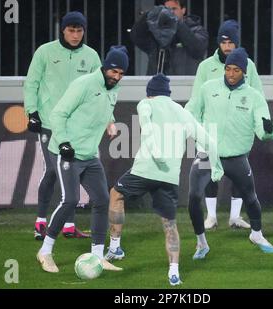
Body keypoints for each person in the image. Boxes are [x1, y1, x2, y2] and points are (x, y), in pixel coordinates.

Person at [105, 74, 224, 285]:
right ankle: (174, 272)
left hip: (145, 170)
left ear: (150, 93)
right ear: (168, 94)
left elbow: (147, 129)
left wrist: (156, 151)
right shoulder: (182, 112)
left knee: (116, 194)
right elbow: (210, 142)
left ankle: (115, 247)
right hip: (169, 177)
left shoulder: (146, 104)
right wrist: (215, 168)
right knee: (169, 224)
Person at [35, 46, 129, 273]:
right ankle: (45, 251)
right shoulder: (84, 84)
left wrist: (110, 121)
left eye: (121, 74)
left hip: (88, 154)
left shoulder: (113, 88)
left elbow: (106, 106)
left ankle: (97, 256)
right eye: (113, 71)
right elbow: (58, 113)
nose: (116, 77)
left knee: (102, 200)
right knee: (70, 200)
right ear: (105, 67)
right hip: (66, 152)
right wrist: (64, 142)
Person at [24, 11, 110, 240]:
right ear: (62, 30)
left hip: (77, 127)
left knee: (69, 172)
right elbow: (31, 82)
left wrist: (107, 119)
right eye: (71, 30)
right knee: (53, 170)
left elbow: (101, 90)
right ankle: (41, 221)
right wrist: (31, 112)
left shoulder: (91, 56)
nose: (75, 35)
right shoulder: (45, 52)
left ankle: (69, 226)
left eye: (79, 30)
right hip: (51, 122)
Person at [185, 47, 273, 259]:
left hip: (236, 157)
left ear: (244, 72)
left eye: (236, 70)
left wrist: (269, 131)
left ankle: (257, 234)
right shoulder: (208, 88)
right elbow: (191, 111)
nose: (231, 74)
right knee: (193, 196)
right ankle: (201, 243)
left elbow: (264, 130)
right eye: (228, 69)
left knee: (251, 198)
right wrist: (198, 133)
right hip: (207, 155)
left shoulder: (254, 97)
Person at [187, 19, 265, 231]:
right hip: (209, 134)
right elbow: (196, 100)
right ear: (218, 43)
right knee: (208, 174)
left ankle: (235, 217)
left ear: (237, 44)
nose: (227, 46)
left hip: (238, 133)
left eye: (232, 42)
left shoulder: (249, 66)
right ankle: (211, 216)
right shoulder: (205, 67)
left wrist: (260, 122)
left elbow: (258, 96)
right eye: (224, 41)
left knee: (239, 178)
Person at [130, 0, 208, 75]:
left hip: (185, 85)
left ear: (183, 10)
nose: (170, 13)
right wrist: (147, 16)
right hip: (159, 85)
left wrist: (177, 24)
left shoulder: (197, 30)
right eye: (167, 10)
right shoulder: (156, 33)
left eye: (174, 9)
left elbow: (198, 50)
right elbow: (136, 37)